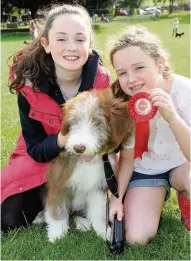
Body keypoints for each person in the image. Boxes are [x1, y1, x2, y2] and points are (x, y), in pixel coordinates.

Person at [1, 4, 111, 232]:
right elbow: (34, 147)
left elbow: (109, 138)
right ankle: (50, 202)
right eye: (61, 39)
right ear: (46, 44)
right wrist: (61, 140)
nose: (72, 47)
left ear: (90, 44)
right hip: (42, 155)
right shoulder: (28, 85)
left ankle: (79, 207)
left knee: (95, 185)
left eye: (80, 39)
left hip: (84, 157)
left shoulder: (102, 82)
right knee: (9, 218)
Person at [109, 26, 190, 245]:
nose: (131, 79)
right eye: (123, 72)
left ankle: (185, 195)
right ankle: (154, 196)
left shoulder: (184, 91)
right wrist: (116, 200)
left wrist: (173, 117)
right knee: (137, 237)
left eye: (139, 68)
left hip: (183, 165)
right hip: (147, 170)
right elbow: (126, 159)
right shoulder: (126, 102)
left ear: (160, 63)